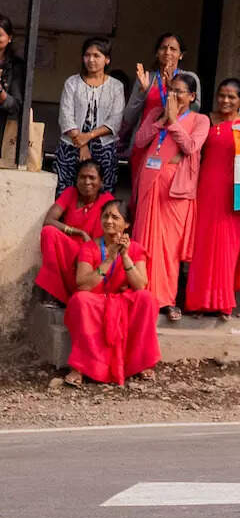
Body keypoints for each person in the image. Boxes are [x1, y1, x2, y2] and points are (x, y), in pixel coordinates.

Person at [131, 71, 209, 322]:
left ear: (192, 96)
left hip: (175, 191)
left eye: (179, 91)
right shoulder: (156, 113)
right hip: (149, 181)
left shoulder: (200, 120)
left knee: (168, 248)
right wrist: (162, 118)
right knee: (144, 239)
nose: (173, 95)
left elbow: (190, 147)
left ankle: (165, 300)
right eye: (171, 90)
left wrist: (174, 121)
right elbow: (140, 141)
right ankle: (141, 294)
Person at [184, 79, 240, 319]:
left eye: (231, 97)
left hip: (234, 194)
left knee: (228, 248)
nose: (225, 101)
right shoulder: (205, 121)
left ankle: (222, 303)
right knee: (203, 246)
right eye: (222, 96)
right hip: (206, 189)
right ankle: (198, 302)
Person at [63, 198, 159, 387]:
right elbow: (83, 285)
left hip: (121, 302)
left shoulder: (136, 249)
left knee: (147, 298)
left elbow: (140, 285)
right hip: (96, 302)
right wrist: (109, 259)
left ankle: (141, 364)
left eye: (115, 217)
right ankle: (80, 368)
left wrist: (124, 256)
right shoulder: (89, 248)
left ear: (127, 224)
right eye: (105, 216)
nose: (109, 221)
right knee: (80, 300)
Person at [120, 33, 201, 184]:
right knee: (139, 196)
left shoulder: (189, 79)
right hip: (145, 142)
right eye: (163, 48)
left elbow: (193, 112)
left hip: (173, 145)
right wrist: (142, 93)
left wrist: (172, 88)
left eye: (173, 49)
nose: (168, 52)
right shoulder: (147, 78)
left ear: (181, 55)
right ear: (157, 53)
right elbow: (129, 116)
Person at [35, 160, 115, 305]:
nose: (87, 182)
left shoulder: (108, 201)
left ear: (101, 182)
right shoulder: (70, 193)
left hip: (92, 258)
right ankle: (53, 292)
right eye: (82, 177)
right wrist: (78, 232)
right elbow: (49, 220)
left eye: (92, 177)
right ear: (76, 180)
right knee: (49, 232)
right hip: (70, 252)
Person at [54, 38, 126, 195]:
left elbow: (115, 120)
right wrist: (82, 144)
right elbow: (65, 116)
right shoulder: (72, 83)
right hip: (72, 144)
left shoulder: (116, 86)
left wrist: (89, 136)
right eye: (87, 55)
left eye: (96, 55)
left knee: (102, 194)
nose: (91, 60)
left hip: (103, 146)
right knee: (66, 191)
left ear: (107, 59)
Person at [0, 13, 25, 126]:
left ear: (9, 38)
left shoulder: (15, 65)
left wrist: (1, 92)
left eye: (0, 34)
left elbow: (16, 106)